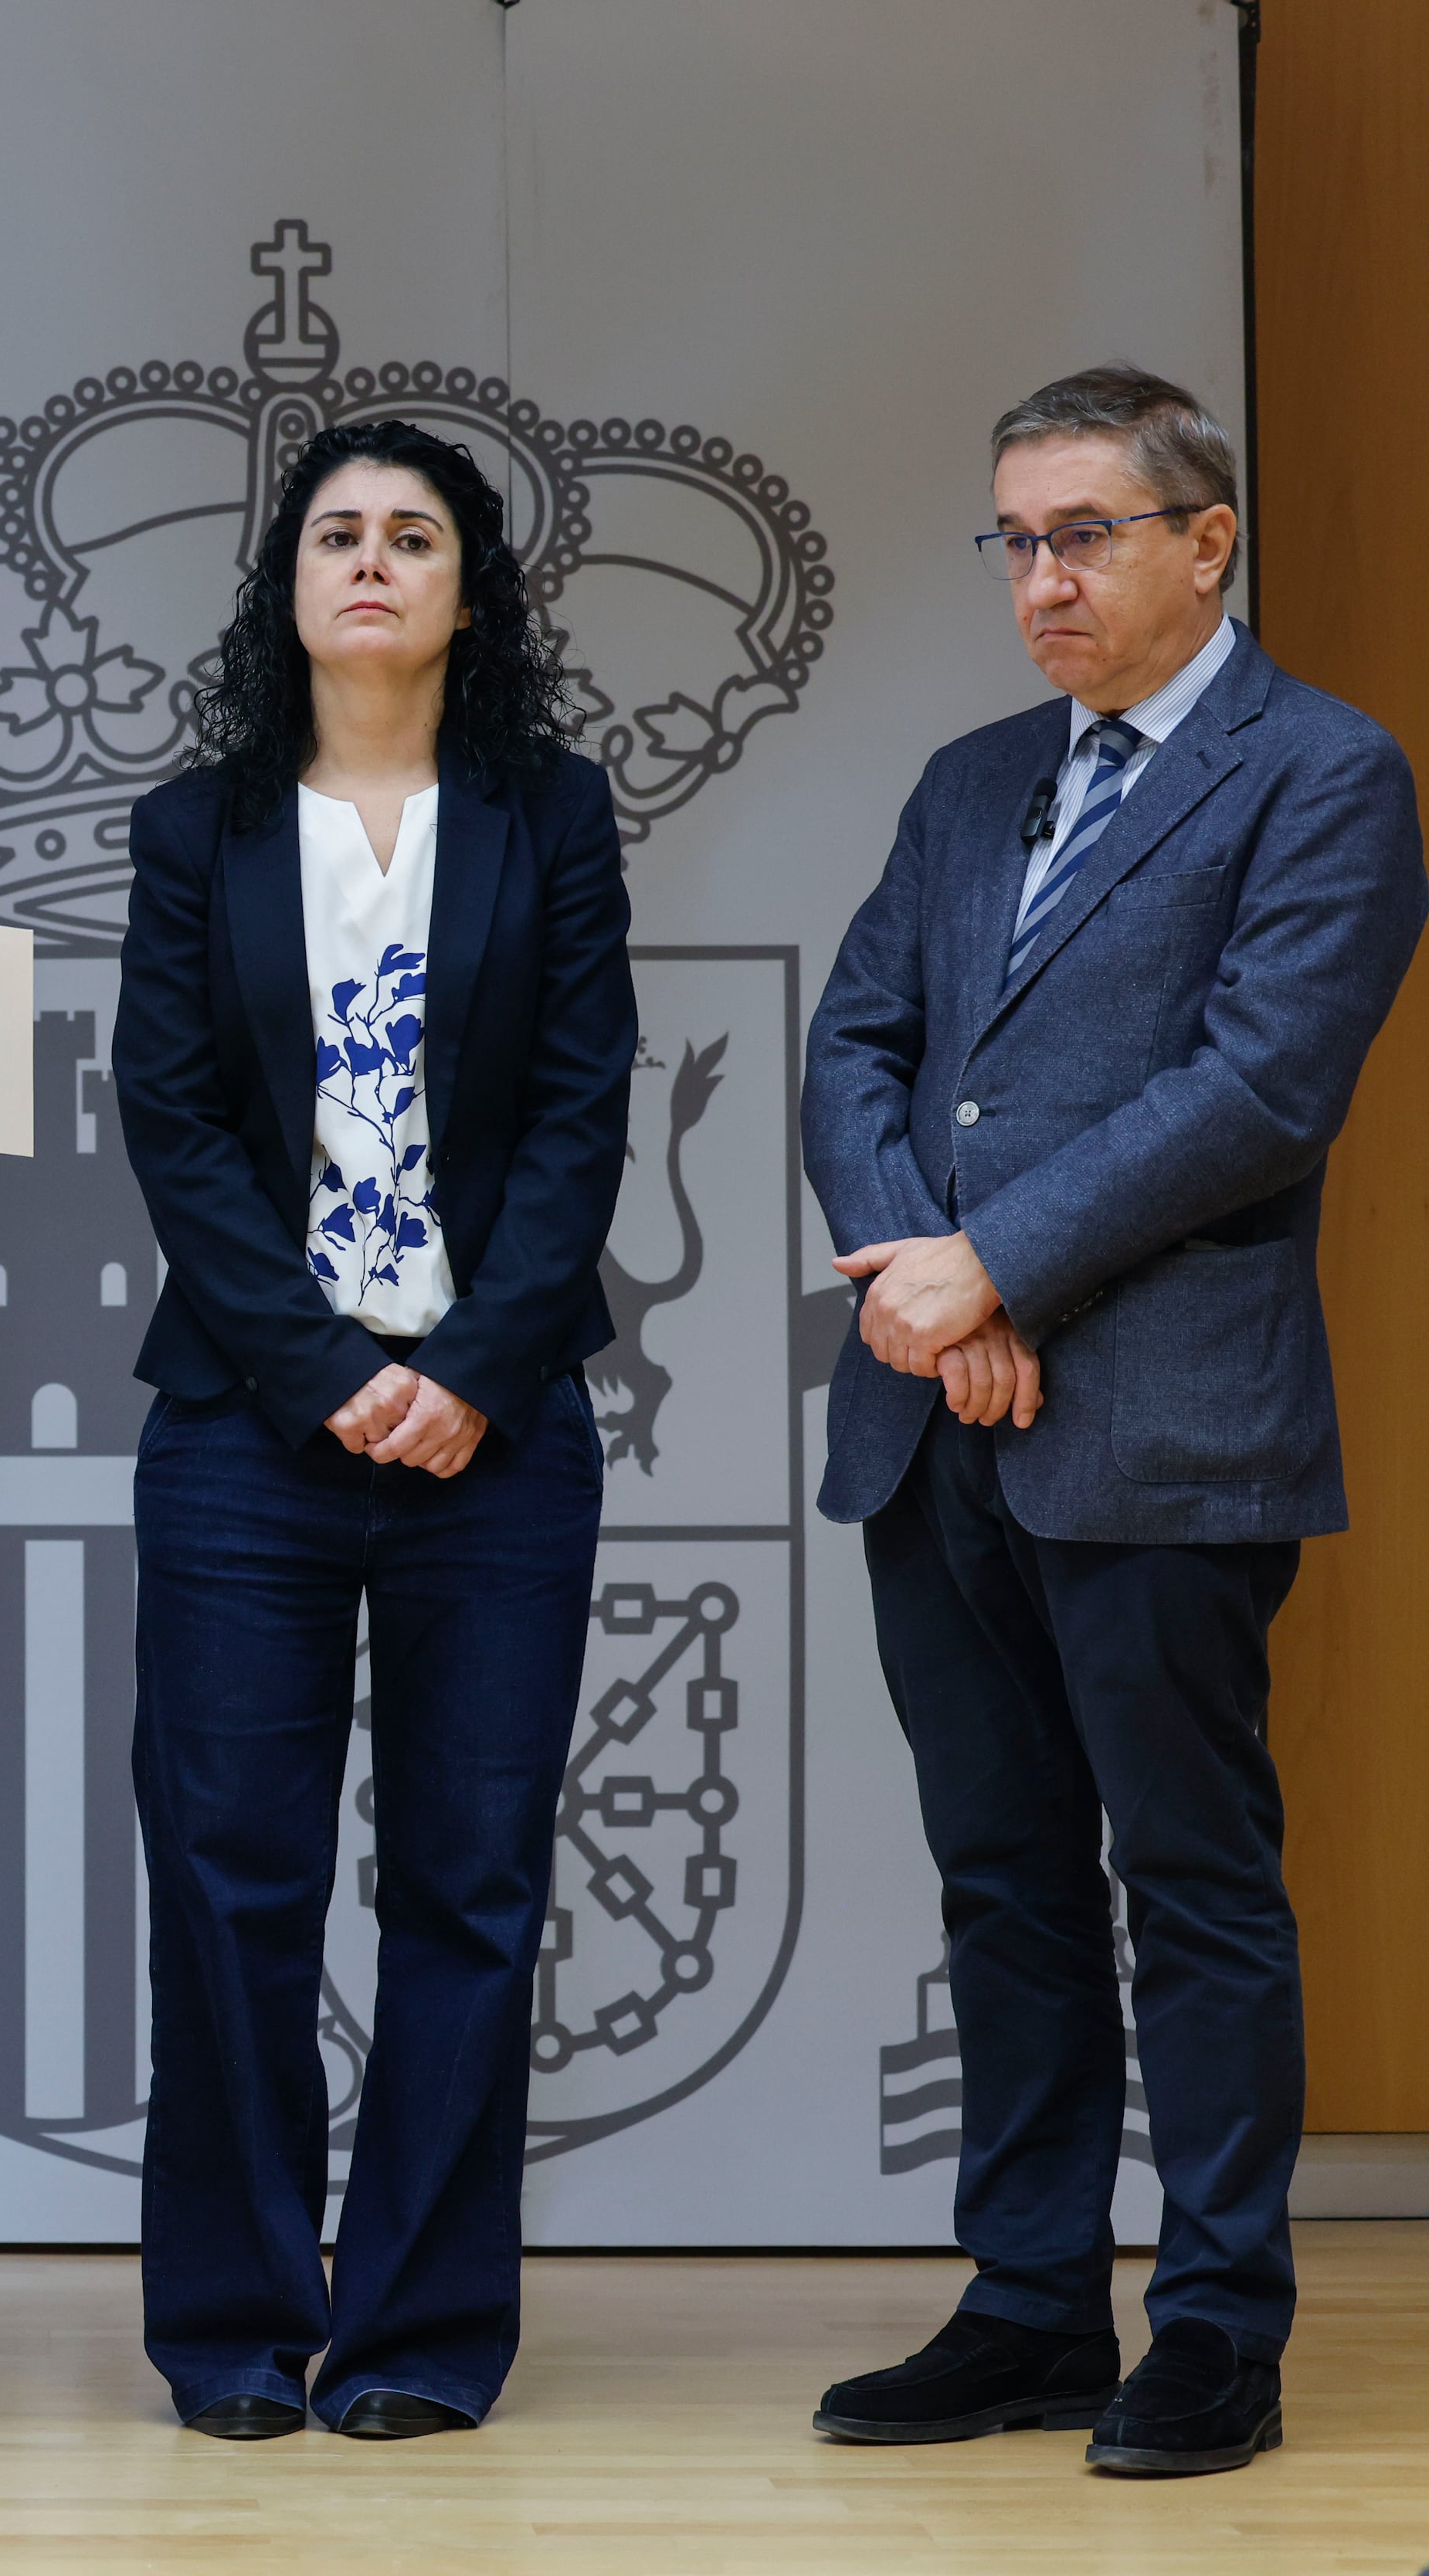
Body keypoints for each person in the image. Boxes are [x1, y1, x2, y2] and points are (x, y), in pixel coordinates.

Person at [803, 367, 1423, 2478]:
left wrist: (1004, 1270)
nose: (1039, 580)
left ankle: (1221, 2324)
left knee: (1193, 1883)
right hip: (937, 1417)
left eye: (1083, 535)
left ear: (1206, 540)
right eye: (1014, 540)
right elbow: (856, 1045)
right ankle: (1031, 2306)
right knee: (1005, 1883)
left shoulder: (1324, 774)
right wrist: (925, 1278)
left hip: (1164, 1432)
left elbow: (1259, 1091)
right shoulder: (975, 781)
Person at [111, 419, 633, 2442]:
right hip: (247, 1433)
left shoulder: (551, 816)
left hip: (496, 1438)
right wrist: (328, 1373)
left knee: (467, 1891)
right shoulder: (199, 831)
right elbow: (170, 1119)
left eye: (414, 536)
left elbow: (585, 1104)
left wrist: (474, 1368)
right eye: (336, 533)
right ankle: (236, 2324)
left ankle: (417, 2336)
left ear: (467, 595)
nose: (372, 562)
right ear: (289, 586)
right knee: (233, 1884)